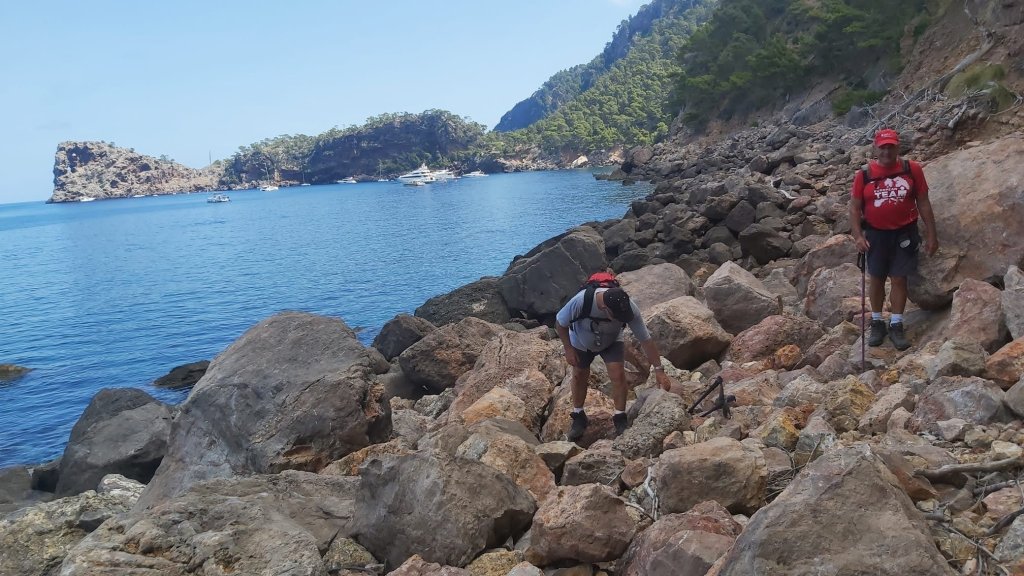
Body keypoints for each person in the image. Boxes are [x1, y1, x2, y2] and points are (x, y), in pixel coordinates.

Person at [849, 128, 938, 351]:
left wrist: (931, 235)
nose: (887, 151)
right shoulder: (864, 174)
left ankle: (896, 323)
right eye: (883, 147)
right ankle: (877, 321)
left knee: (899, 278)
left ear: (898, 147)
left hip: (904, 233)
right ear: (876, 148)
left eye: (891, 146)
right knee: (877, 277)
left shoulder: (912, 169)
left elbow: (923, 202)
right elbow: (854, 208)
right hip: (876, 234)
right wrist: (858, 235)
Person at [555, 284, 672, 441]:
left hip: (611, 340)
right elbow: (560, 324)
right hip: (580, 340)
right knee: (580, 374)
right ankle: (578, 415)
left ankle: (619, 417)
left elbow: (646, 340)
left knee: (618, 375)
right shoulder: (581, 301)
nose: (620, 319)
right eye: (617, 316)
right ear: (604, 307)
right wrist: (568, 349)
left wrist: (659, 370)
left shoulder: (629, 308)